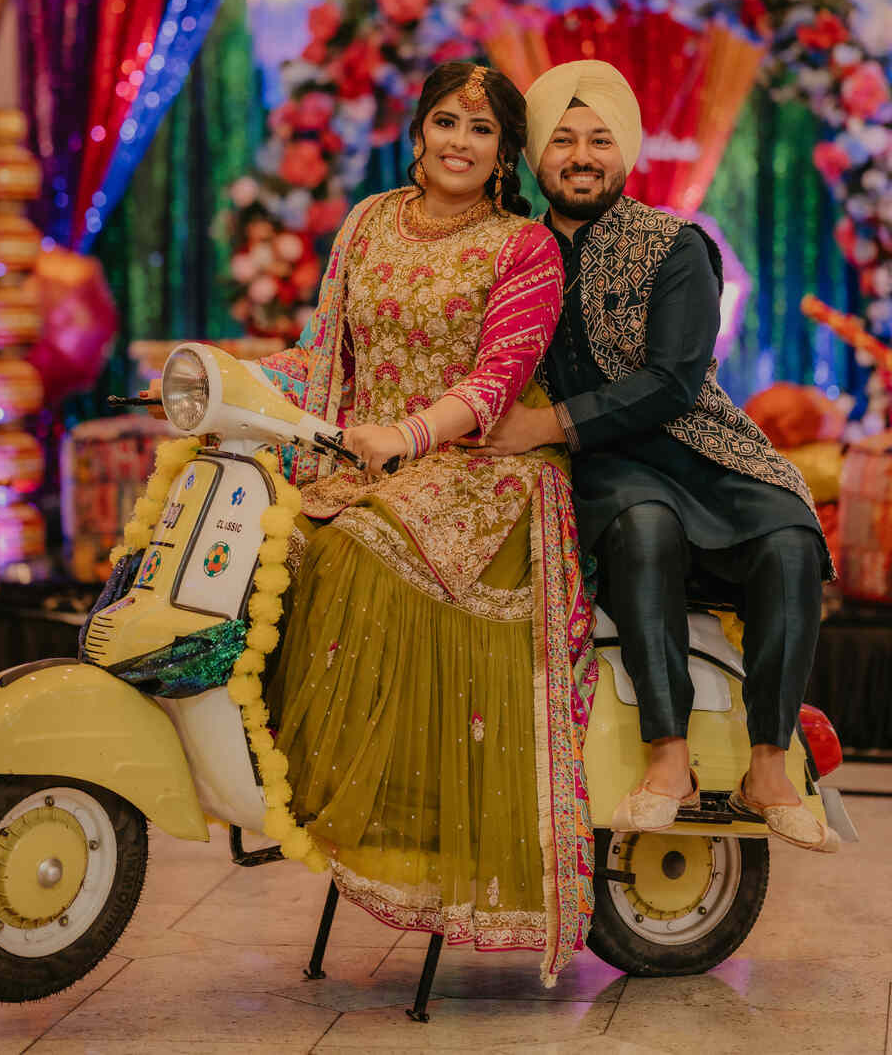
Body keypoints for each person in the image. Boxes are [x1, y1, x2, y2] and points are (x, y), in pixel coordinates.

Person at [260, 62, 595, 987]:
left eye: (482, 130)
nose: (459, 141)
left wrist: (406, 436)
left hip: (483, 470)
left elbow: (497, 381)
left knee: (354, 553)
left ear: (504, 153)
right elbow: (322, 353)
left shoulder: (523, 247)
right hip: (362, 458)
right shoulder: (368, 220)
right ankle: (275, 782)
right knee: (270, 542)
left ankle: (367, 808)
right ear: (418, 132)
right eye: (446, 121)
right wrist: (223, 376)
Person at [484, 60, 839, 854]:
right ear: (536, 154)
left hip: (701, 447)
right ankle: (668, 759)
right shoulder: (511, 250)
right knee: (644, 526)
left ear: (626, 151)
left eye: (600, 140)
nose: (582, 156)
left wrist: (545, 424)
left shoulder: (674, 245)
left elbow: (674, 381)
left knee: (790, 533)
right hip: (605, 467)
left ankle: (770, 767)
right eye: (563, 140)